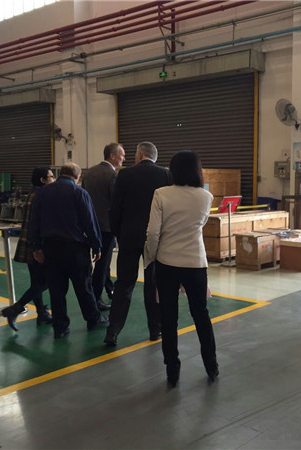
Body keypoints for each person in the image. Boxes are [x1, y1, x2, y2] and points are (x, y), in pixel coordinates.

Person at [145, 150, 218, 387]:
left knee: (168, 318)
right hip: (196, 263)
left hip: (167, 262)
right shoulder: (206, 196)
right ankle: (212, 366)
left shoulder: (161, 194)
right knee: (201, 315)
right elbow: (199, 225)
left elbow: (153, 233)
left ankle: (172, 371)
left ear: (173, 170)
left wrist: (152, 256)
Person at [28, 162, 107, 338]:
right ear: (77, 177)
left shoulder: (42, 193)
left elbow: (34, 221)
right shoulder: (79, 193)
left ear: (61, 173)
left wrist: (36, 246)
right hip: (76, 249)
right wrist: (97, 246)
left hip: (51, 248)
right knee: (83, 287)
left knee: (56, 290)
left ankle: (60, 327)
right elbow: (90, 222)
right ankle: (93, 319)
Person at [104, 142, 172, 346]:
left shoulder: (125, 175)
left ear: (140, 154)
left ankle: (113, 331)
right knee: (153, 284)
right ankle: (155, 329)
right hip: (155, 238)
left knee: (124, 284)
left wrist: (119, 234)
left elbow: (115, 208)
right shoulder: (166, 175)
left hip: (129, 236)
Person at [1, 167, 55, 331]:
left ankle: (41, 313)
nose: (54, 179)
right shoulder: (43, 195)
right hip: (38, 245)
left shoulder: (32, 194)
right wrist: (41, 247)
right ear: (43, 180)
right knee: (48, 280)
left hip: (29, 243)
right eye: (51, 176)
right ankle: (16, 308)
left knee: (36, 281)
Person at [82, 143, 126, 312]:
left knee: (101, 262)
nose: (123, 159)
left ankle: (108, 288)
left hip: (89, 225)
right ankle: (96, 298)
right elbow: (116, 202)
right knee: (102, 264)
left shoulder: (89, 173)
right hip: (106, 226)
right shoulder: (112, 175)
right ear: (112, 156)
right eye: (121, 155)